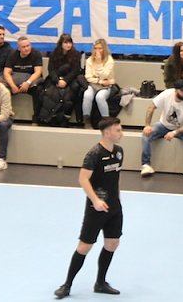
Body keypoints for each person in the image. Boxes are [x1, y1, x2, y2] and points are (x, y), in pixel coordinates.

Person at [54, 117, 125, 299]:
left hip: (114, 207)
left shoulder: (119, 152)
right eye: (118, 130)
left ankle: (100, 283)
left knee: (112, 243)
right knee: (85, 246)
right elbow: (83, 179)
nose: (121, 133)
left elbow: (116, 178)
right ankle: (67, 285)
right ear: (107, 133)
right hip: (96, 208)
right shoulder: (94, 154)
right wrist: (96, 201)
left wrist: (118, 199)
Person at [140, 79, 183, 179]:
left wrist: (174, 132)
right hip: (164, 125)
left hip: (182, 128)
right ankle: (146, 165)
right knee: (146, 134)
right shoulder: (167, 94)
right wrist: (147, 125)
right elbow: (151, 107)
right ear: (176, 91)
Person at [81, 38, 115, 128]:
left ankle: (106, 121)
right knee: (87, 95)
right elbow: (88, 77)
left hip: (105, 86)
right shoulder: (89, 60)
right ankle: (86, 121)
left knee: (100, 97)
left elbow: (105, 75)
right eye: (95, 48)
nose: (97, 51)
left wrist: (99, 62)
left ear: (104, 49)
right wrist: (99, 81)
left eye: (100, 48)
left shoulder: (109, 60)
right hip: (93, 85)